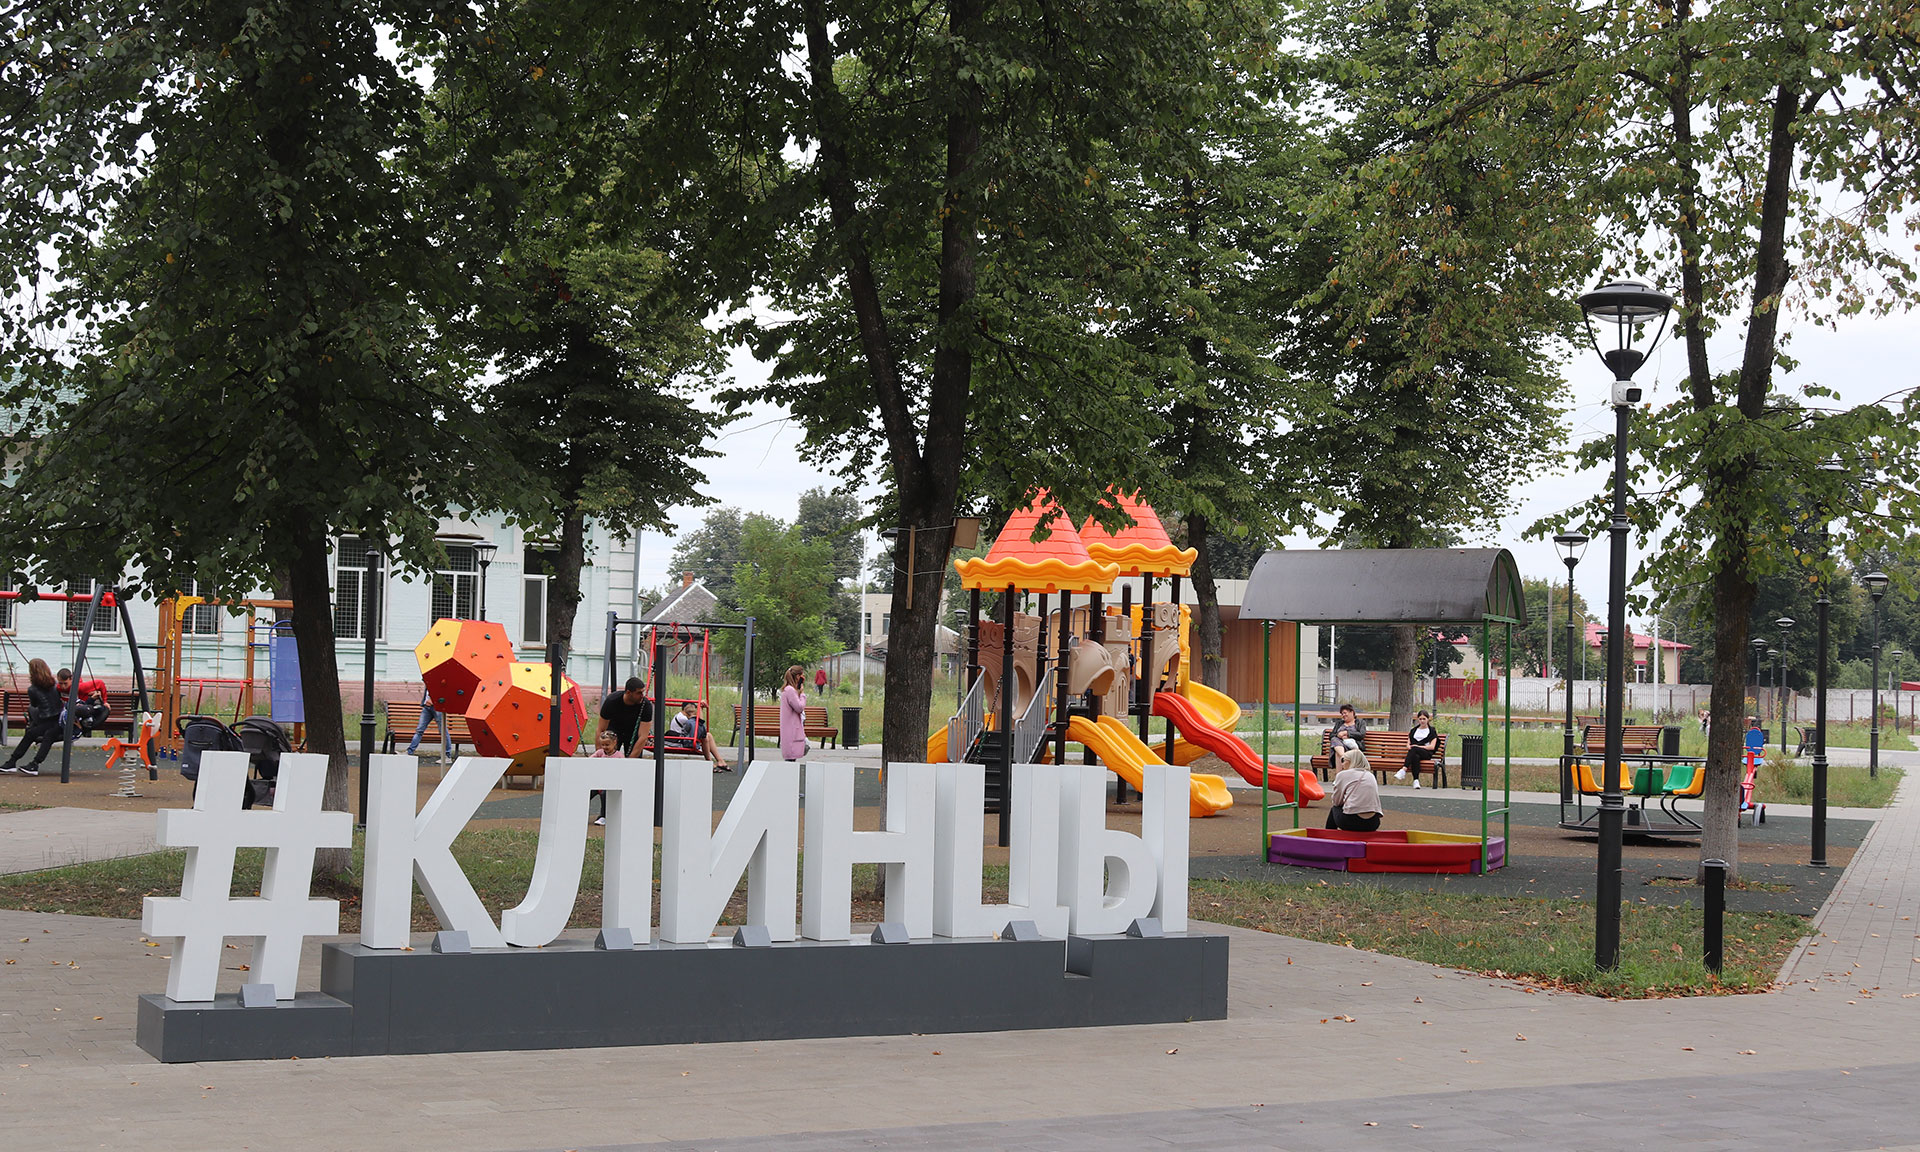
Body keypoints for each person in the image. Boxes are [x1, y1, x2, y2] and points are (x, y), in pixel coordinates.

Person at [2, 659, 63, 776]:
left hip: (48, 721)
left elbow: (34, 705)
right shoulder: (55, 684)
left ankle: (16, 763)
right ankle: (21, 763)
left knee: (36, 733)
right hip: (58, 719)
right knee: (36, 733)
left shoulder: (32, 689)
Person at [1325, 747, 1383, 832]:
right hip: (1373, 822)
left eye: (1343, 760)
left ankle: (1329, 835)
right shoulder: (1370, 775)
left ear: (1350, 761)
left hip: (1351, 821)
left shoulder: (1343, 775)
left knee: (1335, 808)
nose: (1342, 764)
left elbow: (1336, 801)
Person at [597, 677, 654, 755]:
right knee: (609, 750)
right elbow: (601, 729)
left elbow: (643, 737)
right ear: (628, 692)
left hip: (633, 732)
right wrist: (599, 755)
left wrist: (631, 759)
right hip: (614, 729)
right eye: (639, 693)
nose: (642, 696)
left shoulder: (645, 705)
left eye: (642, 692)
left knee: (634, 753)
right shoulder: (612, 701)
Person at [671, 700, 730, 772]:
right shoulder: (683, 718)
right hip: (681, 740)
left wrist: (700, 708)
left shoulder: (683, 716)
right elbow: (700, 726)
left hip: (684, 738)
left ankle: (720, 760)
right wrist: (700, 708)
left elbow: (698, 724)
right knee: (705, 737)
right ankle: (709, 762)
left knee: (708, 735)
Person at [405, 684, 453, 760]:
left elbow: (443, 690)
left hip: (437, 708)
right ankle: (409, 752)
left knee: (443, 732)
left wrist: (433, 700)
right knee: (419, 730)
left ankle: (447, 755)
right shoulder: (428, 679)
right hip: (427, 708)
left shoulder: (438, 679)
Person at [56, 668, 110, 735]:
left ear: (71, 679)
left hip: (82, 710)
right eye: (60, 683)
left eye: (65, 683)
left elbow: (100, 683)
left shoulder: (80, 687)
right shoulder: (58, 688)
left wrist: (105, 701)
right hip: (67, 713)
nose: (63, 686)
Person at [1395, 709, 1439, 788]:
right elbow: (1408, 743)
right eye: (1420, 719)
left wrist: (1418, 747)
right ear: (1418, 719)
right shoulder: (1414, 731)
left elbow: (1432, 746)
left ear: (1428, 719)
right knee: (1415, 756)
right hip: (1414, 752)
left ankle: (1404, 769)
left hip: (1426, 753)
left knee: (1414, 749)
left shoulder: (1432, 731)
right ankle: (1416, 781)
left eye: (1424, 719)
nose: (1422, 721)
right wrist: (1408, 746)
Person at [587, 730, 622, 826]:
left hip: (611, 783)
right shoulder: (600, 753)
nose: (605, 747)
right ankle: (580, 812)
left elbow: (622, 769)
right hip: (599, 782)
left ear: (614, 743)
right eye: (602, 745)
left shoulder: (619, 756)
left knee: (604, 794)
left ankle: (603, 816)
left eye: (607, 745)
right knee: (587, 792)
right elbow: (590, 760)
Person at [779, 665, 810, 762]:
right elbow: (799, 707)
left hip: (790, 729)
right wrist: (802, 694)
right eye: (802, 676)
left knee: (791, 760)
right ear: (797, 676)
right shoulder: (790, 691)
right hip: (792, 730)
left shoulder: (788, 690)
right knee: (791, 760)